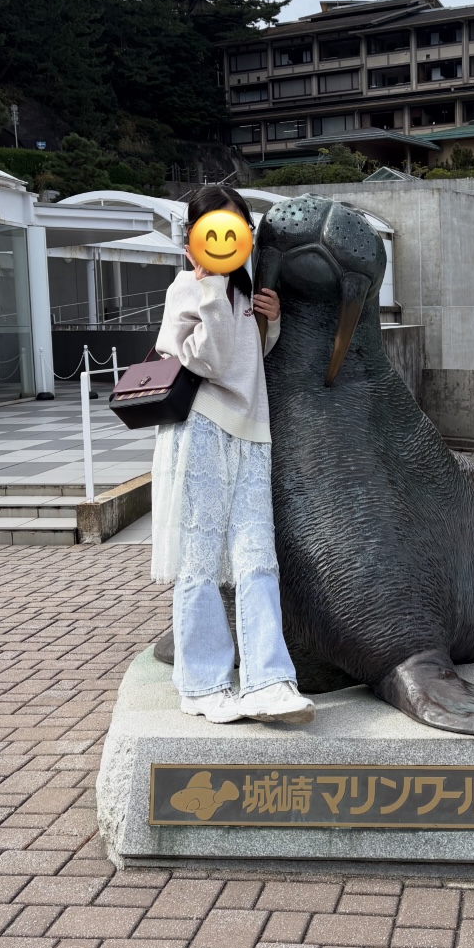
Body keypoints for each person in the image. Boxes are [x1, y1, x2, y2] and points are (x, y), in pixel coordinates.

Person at [151, 185, 314, 724]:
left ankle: (268, 681)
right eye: (214, 229)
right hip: (201, 429)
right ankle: (201, 684)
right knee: (199, 559)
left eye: (236, 228)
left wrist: (272, 320)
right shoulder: (186, 289)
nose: (226, 239)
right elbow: (211, 363)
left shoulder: (245, 293)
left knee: (256, 558)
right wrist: (211, 291)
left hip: (251, 432)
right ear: (193, 241)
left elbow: (250, 359)